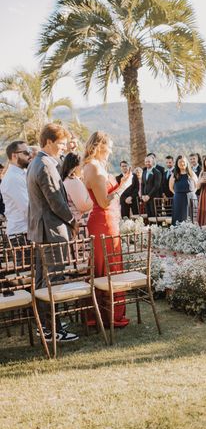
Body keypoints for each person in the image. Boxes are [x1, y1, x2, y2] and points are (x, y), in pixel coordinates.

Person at [26, 124, 79, 342]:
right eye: (61, 144)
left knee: (42, 281)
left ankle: (45, 326)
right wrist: (73, 221)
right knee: (53, 281)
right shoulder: (45, 166)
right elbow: (56, 202)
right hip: (51, 231)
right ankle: (52, 329)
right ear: (48, 142)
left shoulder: (36, 163)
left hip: (41, 231)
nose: (64, 148)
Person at [83, 131, 132, 328]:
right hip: (103, 221)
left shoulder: (96, 166)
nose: (111, 150)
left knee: (108, 264)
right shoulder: (93, 168)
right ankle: (107, 314)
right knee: (105, 266)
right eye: (109, 146)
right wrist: (123, 187)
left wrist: (118, 184)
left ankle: (104, 312)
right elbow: (103, 202)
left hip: (107, 220)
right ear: (99, 146)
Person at [1, 141, 31, 244]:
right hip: (21, 235)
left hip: (26, 232)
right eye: (26, 152)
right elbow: (27, 207)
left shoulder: (22, 174)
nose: (30, 155)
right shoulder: (12, 178)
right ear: (14, 155)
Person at [61, 152, 93, 226]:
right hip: (80, 224)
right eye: (82, 166)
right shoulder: (73, 182)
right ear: (75, 167)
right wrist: (96, 198)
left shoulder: (68, 180)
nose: (83, 169)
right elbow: (83, 206)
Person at [169, 155, 198, 225]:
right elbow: (171, 188)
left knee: (191, 219)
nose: (182, 164)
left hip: (191, 199)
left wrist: (192, 194)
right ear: (177, 164)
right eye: (180, 162)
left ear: (186, 163)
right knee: (178, 219)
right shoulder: (174, 175)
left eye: (183, 162)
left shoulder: (191, 173)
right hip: (178, 200)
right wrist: (177, 194)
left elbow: (197, 186)